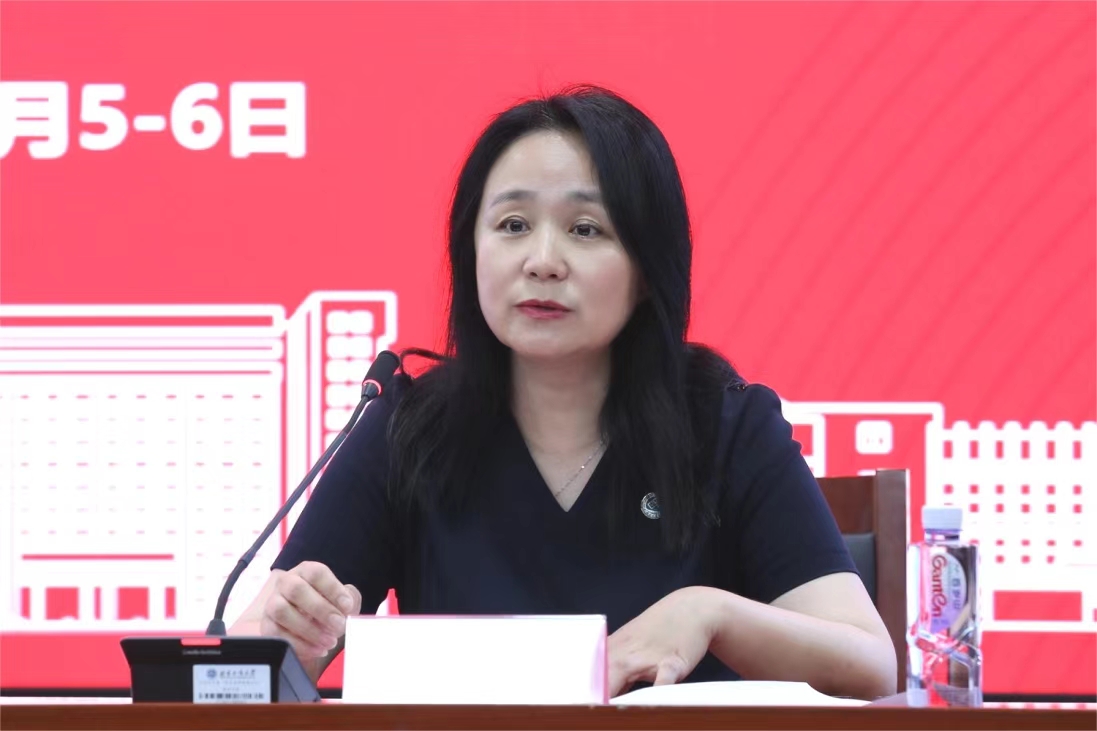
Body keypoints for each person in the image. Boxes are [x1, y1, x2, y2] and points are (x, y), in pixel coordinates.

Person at [229, 86, 897, 700]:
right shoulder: (408, 428)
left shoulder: (727, 425)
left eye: (585, 229)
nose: (542, 260)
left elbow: (870, 663)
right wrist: (293, 632)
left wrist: (711, 613)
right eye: (512, 225)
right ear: (471, 252)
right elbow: (243, 669)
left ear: (647, 269)